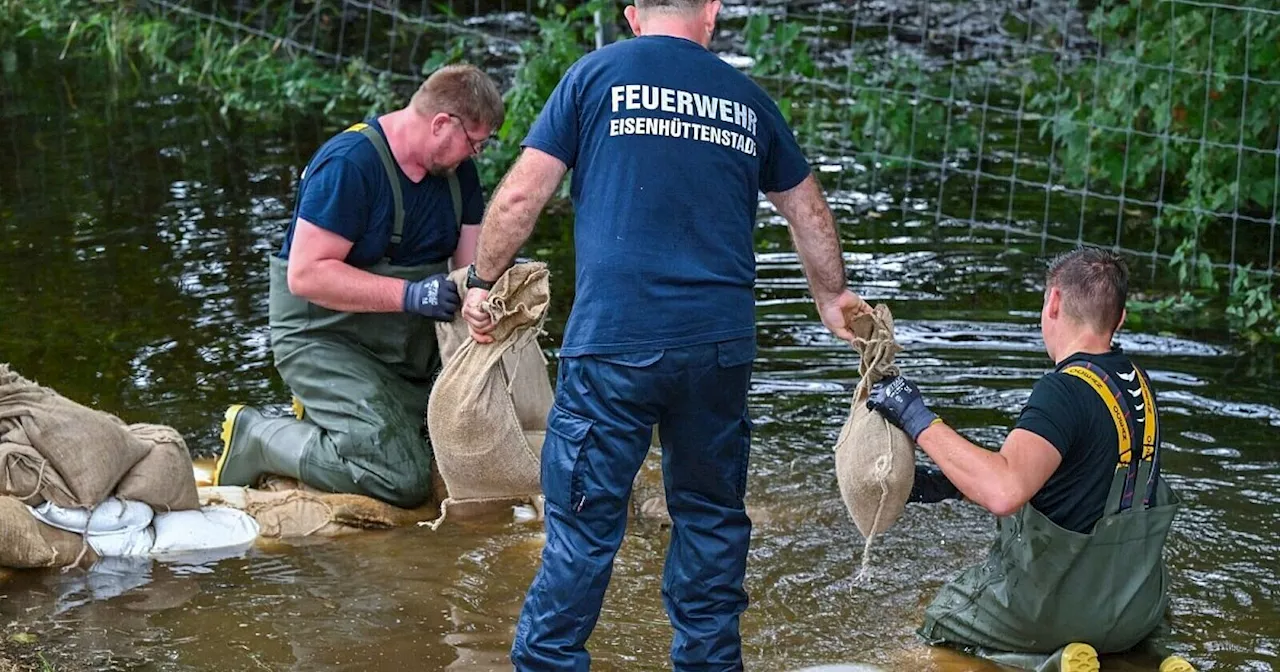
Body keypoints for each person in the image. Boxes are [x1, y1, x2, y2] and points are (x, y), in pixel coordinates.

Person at [459, 0, 870, 668]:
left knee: (584, 529)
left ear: (630, 15)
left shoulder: (594, 77)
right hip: (717, 348)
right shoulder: (746, 98)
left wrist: (482, 281)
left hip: (614, 341)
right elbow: (809, 210)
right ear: (710, 12)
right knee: (710, 519)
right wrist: (832, 297)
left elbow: (519, 199)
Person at [867, 247, 1195, 672]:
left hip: (1059, 613)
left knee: (942, 626)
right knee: (1128, 635)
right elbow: (1077, 482)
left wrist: (916, 416)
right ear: (1120, 318)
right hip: (1136, 610)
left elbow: (1005, 491)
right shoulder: (1138, 384)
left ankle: (1056, 663)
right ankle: (1155, 662)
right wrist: (945, 484)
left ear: (1054, 302)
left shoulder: (1062, 391)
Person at [213, 64, 504, 509]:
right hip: (324, 338)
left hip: (405, 348)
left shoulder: (457, 174)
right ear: (441, 123)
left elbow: (470, 267)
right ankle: (260, 436)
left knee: (455, 451)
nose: (477, 155)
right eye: (475, 143)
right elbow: (306, 275)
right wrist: (409, 295)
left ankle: (334, 418)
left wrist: (488, 293)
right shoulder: (350, 164)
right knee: (401, 480)